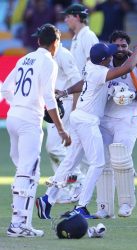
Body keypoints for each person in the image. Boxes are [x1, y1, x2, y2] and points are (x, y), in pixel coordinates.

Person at [36, 41, 137, 219]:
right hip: (87, 121)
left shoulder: (90, 66)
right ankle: (81, 207)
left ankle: (48, 198)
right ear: (104, 60)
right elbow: (126, 68)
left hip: (79, 116)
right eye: (109, 55)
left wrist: (65, 92)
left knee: (70, 161)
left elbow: (84, 82)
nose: (112, 56)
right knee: (98, 164)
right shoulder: (100, 72)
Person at [0, 23, 71, 237]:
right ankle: (18, 225)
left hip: (13, 117)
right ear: (55, 43)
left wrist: (18, 104)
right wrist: (60, 130)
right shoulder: (49, 62)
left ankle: (22, 222)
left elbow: (5, 88)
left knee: (24, 170)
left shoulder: (24, 59)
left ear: (39, 41)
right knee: (28, 172)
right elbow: (49, 98)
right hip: (29, 121)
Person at [94, 30, 137, 219]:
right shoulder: (103, 63)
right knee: (103, 163)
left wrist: (131, 96)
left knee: (120, 159)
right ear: (110, 46)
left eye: (124, 46)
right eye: (116, 45)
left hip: (127, 119)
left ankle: (127, 203)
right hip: (104, 119)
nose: (120, 49)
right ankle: (104, 207)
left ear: (128, 48)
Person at [61, 3, 100, 200]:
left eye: (68, 16)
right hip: (78, 94)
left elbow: (91, 70)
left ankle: (81, 185)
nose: (65, 20)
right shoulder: (77, 37)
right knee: (78, 143)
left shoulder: (88, 36)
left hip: (84, 97)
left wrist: (78, 101)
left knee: (80, 142)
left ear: (77, 16)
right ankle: (81, 184)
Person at [44, 41, 82, 204]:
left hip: (64, 102)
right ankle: (62, 189)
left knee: (53, 147)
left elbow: (77, 82)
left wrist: (74, 108)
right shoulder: (45, 56)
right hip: (52, 103)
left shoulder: (64, 55)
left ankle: (79, 179)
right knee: (57, 148)